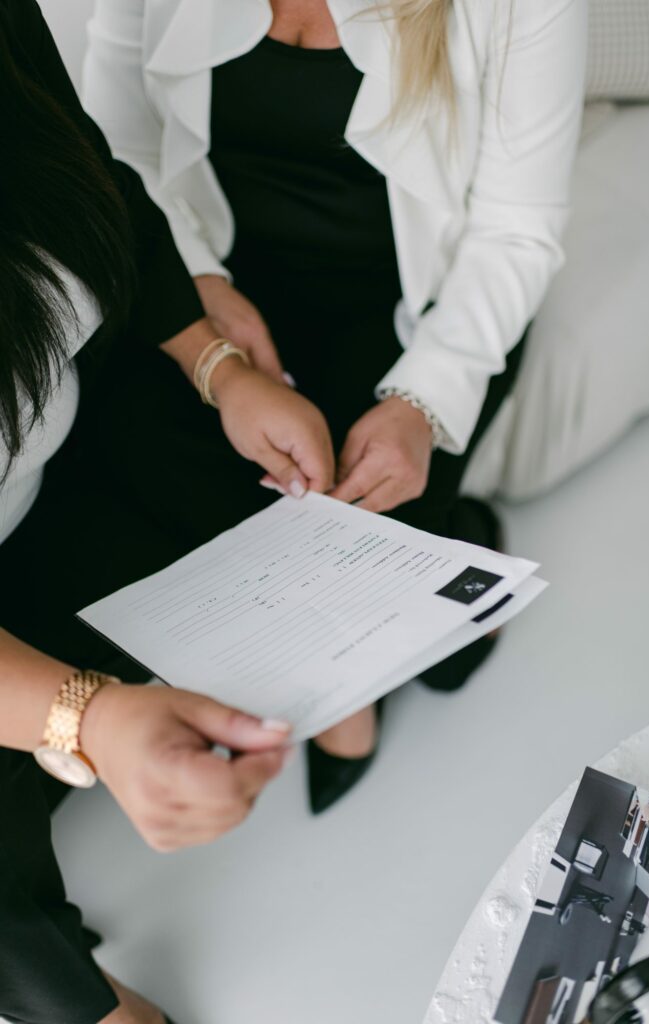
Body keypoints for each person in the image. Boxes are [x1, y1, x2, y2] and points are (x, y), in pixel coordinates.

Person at [82, 0, 588, 811]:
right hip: (223, 283)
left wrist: (421, 402)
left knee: (359, 535)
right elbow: (119, 141)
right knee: (139, 451)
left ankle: (413, 603)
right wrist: (200, 285)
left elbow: (515, 231)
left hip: (427, 314)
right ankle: (403, 614)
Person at [0, 0, 337, 1019]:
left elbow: (88, 176)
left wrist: (218, 365)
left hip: (57, 478)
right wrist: (86, 715)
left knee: (285, 503)